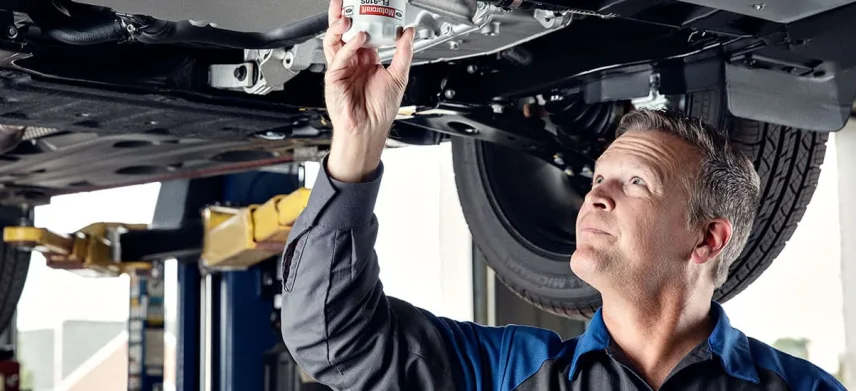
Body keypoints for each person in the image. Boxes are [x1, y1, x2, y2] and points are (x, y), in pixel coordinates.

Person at [277, 1, 847, 389]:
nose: (594, 198)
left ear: (707, 238)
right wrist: (355, 145)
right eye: (598, 178)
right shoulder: (508, 373)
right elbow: (330, 337)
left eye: (636, 183)